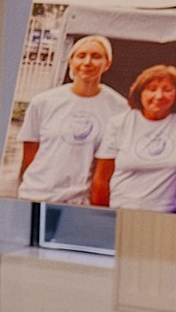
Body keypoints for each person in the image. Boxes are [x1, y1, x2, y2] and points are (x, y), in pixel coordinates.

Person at [18, 35, 126, 205]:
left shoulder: (120, 108)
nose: (87, 62)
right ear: (71, 62)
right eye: (81, 56)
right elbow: (29, 154)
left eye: (96, 56)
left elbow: (108, 166)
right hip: (35, 195)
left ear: (107, 64)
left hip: (79, 201)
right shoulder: (43, 102)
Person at [95, 64, 176, 211]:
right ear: (140, 92)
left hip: (168, 216)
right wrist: (101, 217)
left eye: (167, 90)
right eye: (151, 89)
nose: (159, 96)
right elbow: (101, 179)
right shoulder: (119, 123)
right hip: (122, 211)